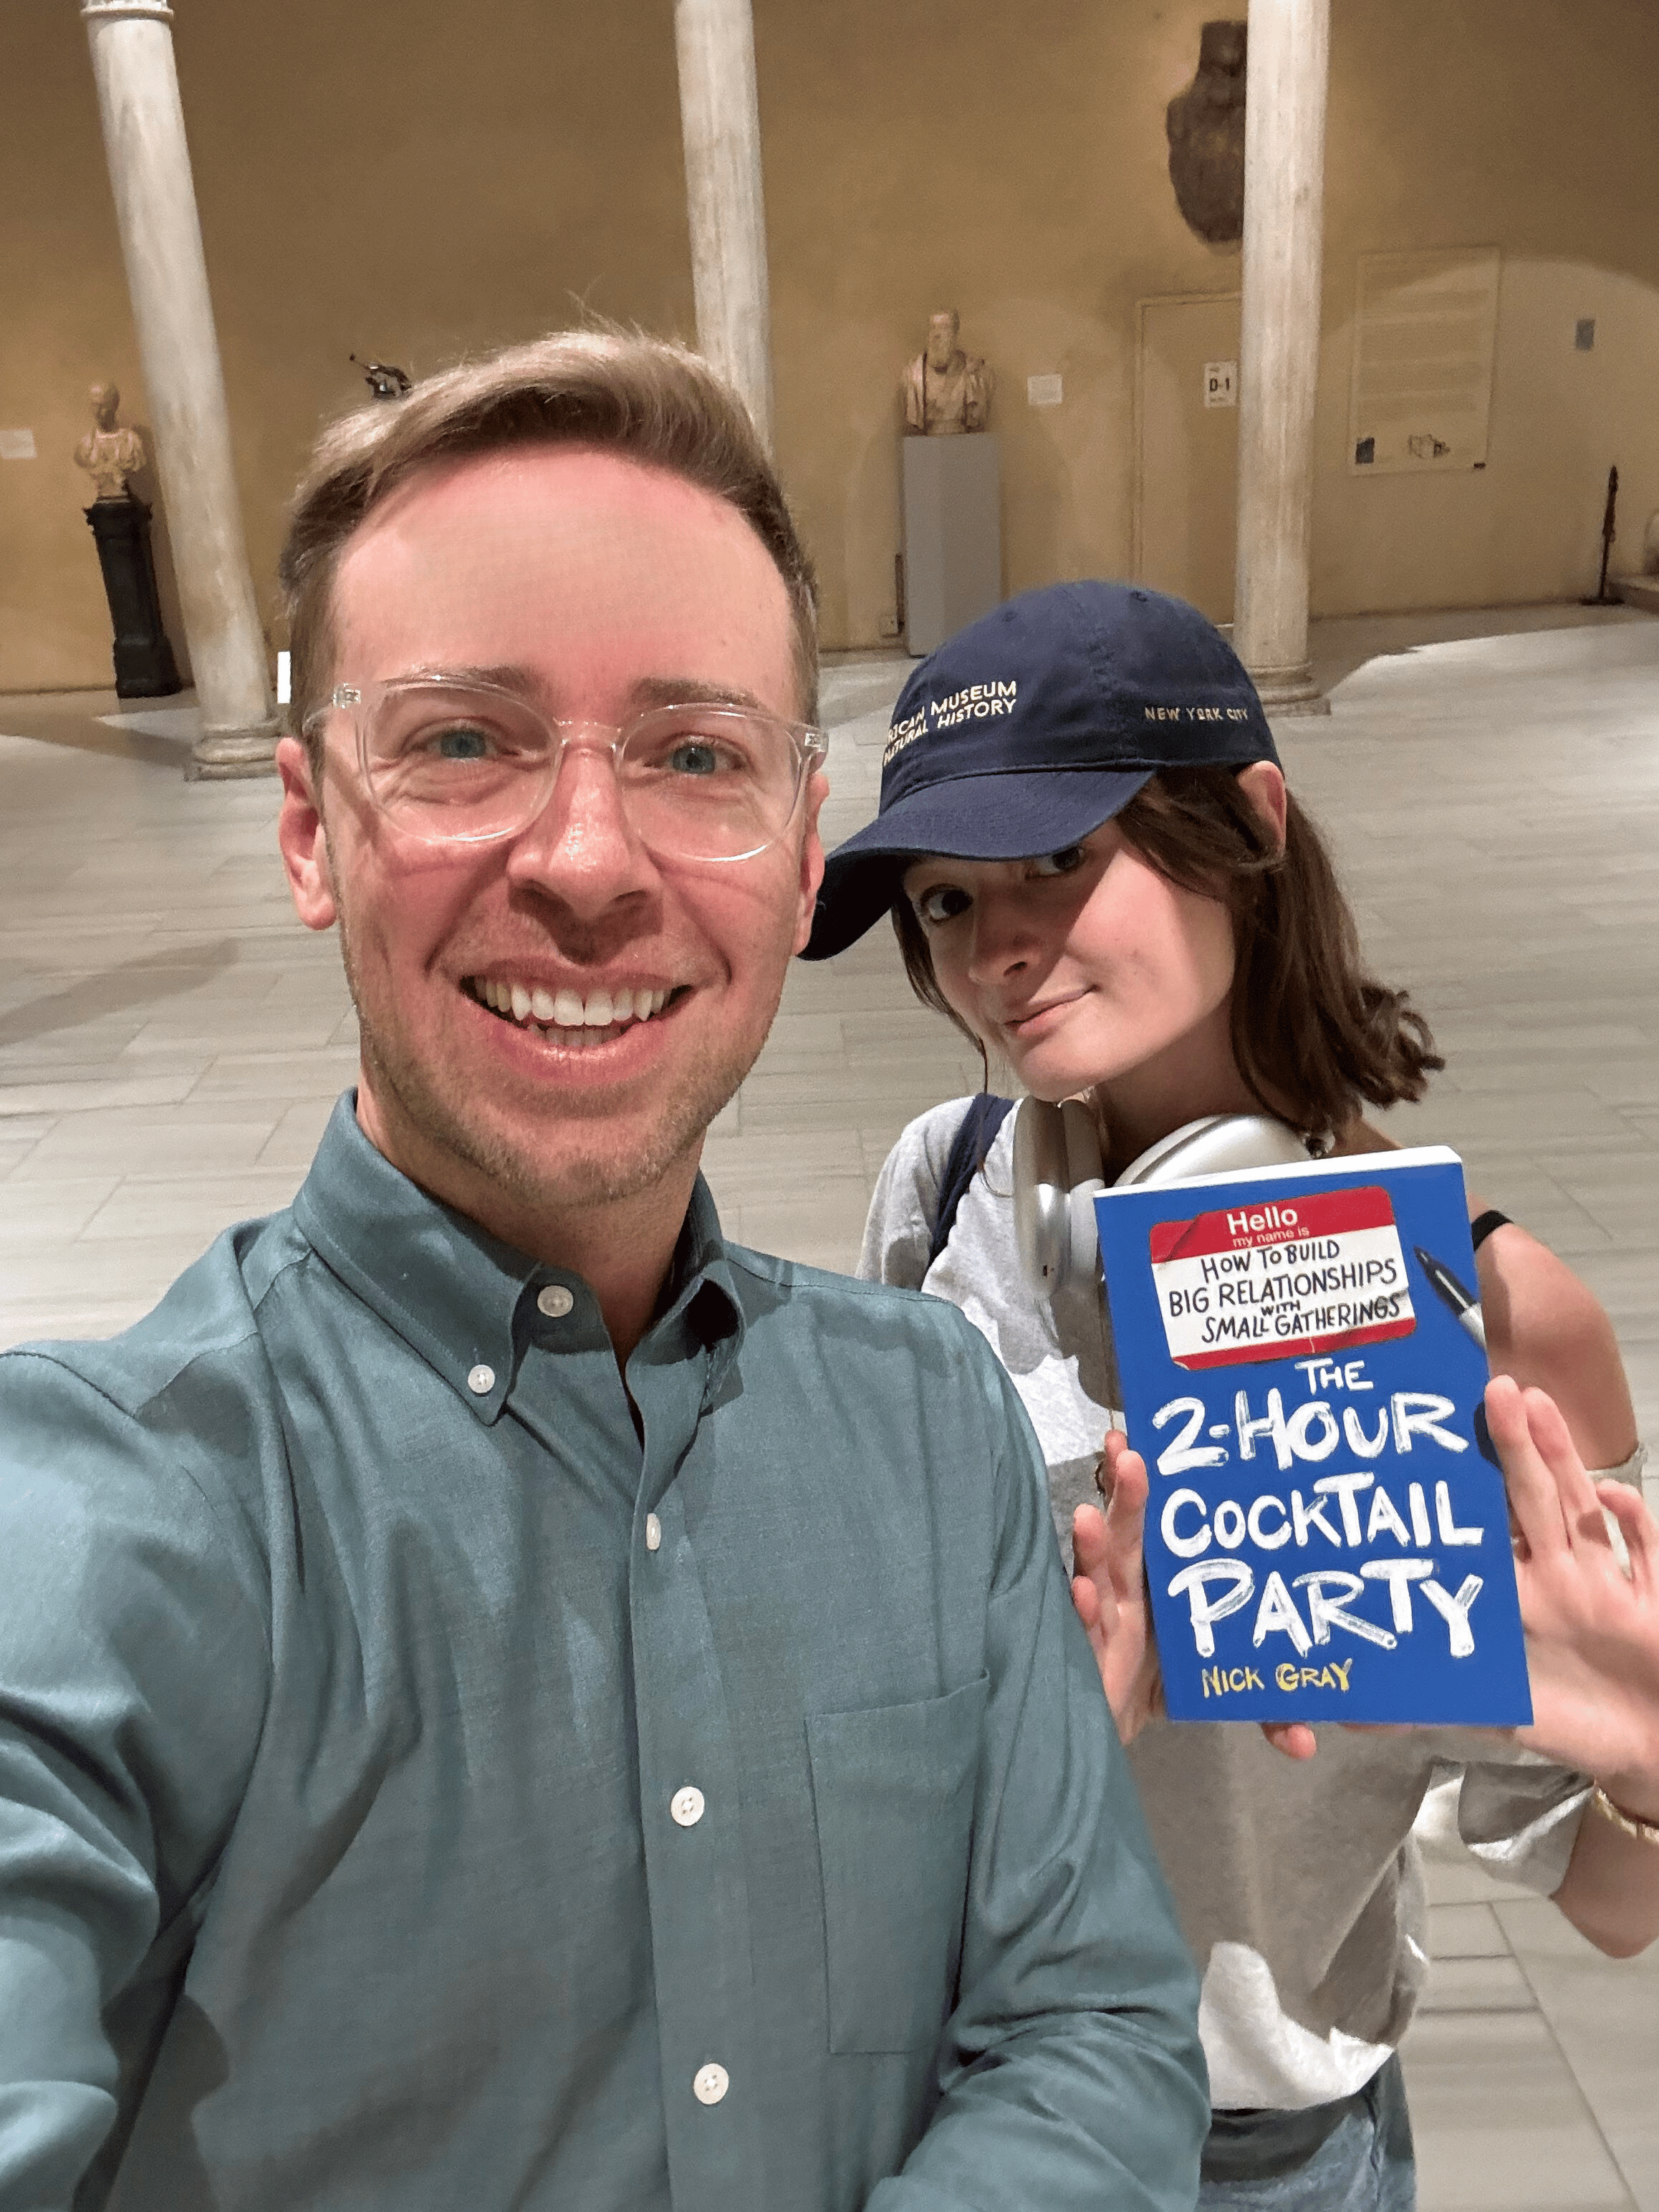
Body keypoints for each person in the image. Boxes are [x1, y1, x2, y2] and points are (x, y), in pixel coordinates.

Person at [0, 340, 1209, 2210]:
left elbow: (1094, 2027)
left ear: (801, 854)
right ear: (315, 829)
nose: (585, 859)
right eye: (464, 739)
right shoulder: (103, 1520)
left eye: (694, 755)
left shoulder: (926, 1417)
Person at [804, 579, 1659, 2208]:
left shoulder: (1492, 1319)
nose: (995, 946)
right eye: (940, 900)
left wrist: (1651, 1751)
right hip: (965, 2097)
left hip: (1269, 2154)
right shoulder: (940, 1191)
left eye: (1062, 856)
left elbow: (1613, 1900)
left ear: (1249, 820)